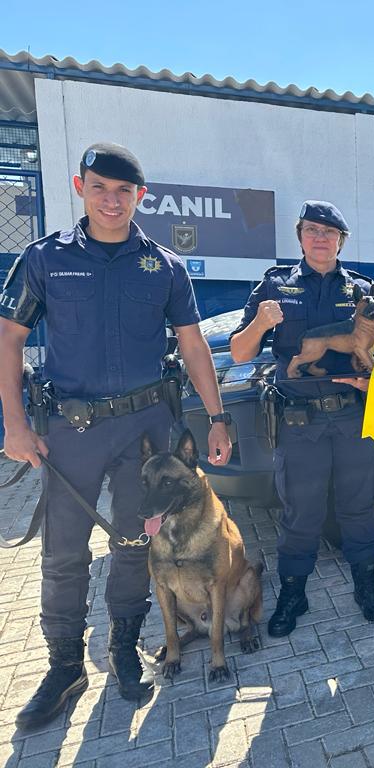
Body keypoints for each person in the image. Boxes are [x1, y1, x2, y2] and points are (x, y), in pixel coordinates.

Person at [0, 143, 231, 728]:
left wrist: (218, 416)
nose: (111, 200)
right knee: (62, 551)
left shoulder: (164, 266)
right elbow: (8, 339)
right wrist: (16, 425)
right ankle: (64, 666)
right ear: (80, 187)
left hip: (144, 434)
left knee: (133, 543)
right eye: (100, 188)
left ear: (140, 197)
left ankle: (124, 647)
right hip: (69, 431)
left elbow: (193, 344)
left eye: (123, 191)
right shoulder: (44, 259)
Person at [230, 201, 374, 634]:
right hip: (300, 421)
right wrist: (260, 323)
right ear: (300, 236)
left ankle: (366, 583)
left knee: (359, 506)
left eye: (329, 232)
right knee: (300, 511)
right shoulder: (274, 285)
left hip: (356, 416)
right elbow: (241, 352)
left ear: (341, 240)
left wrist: (372, 384)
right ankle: (293, 592)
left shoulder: (364, 291)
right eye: (312, 231)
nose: (321, 238)